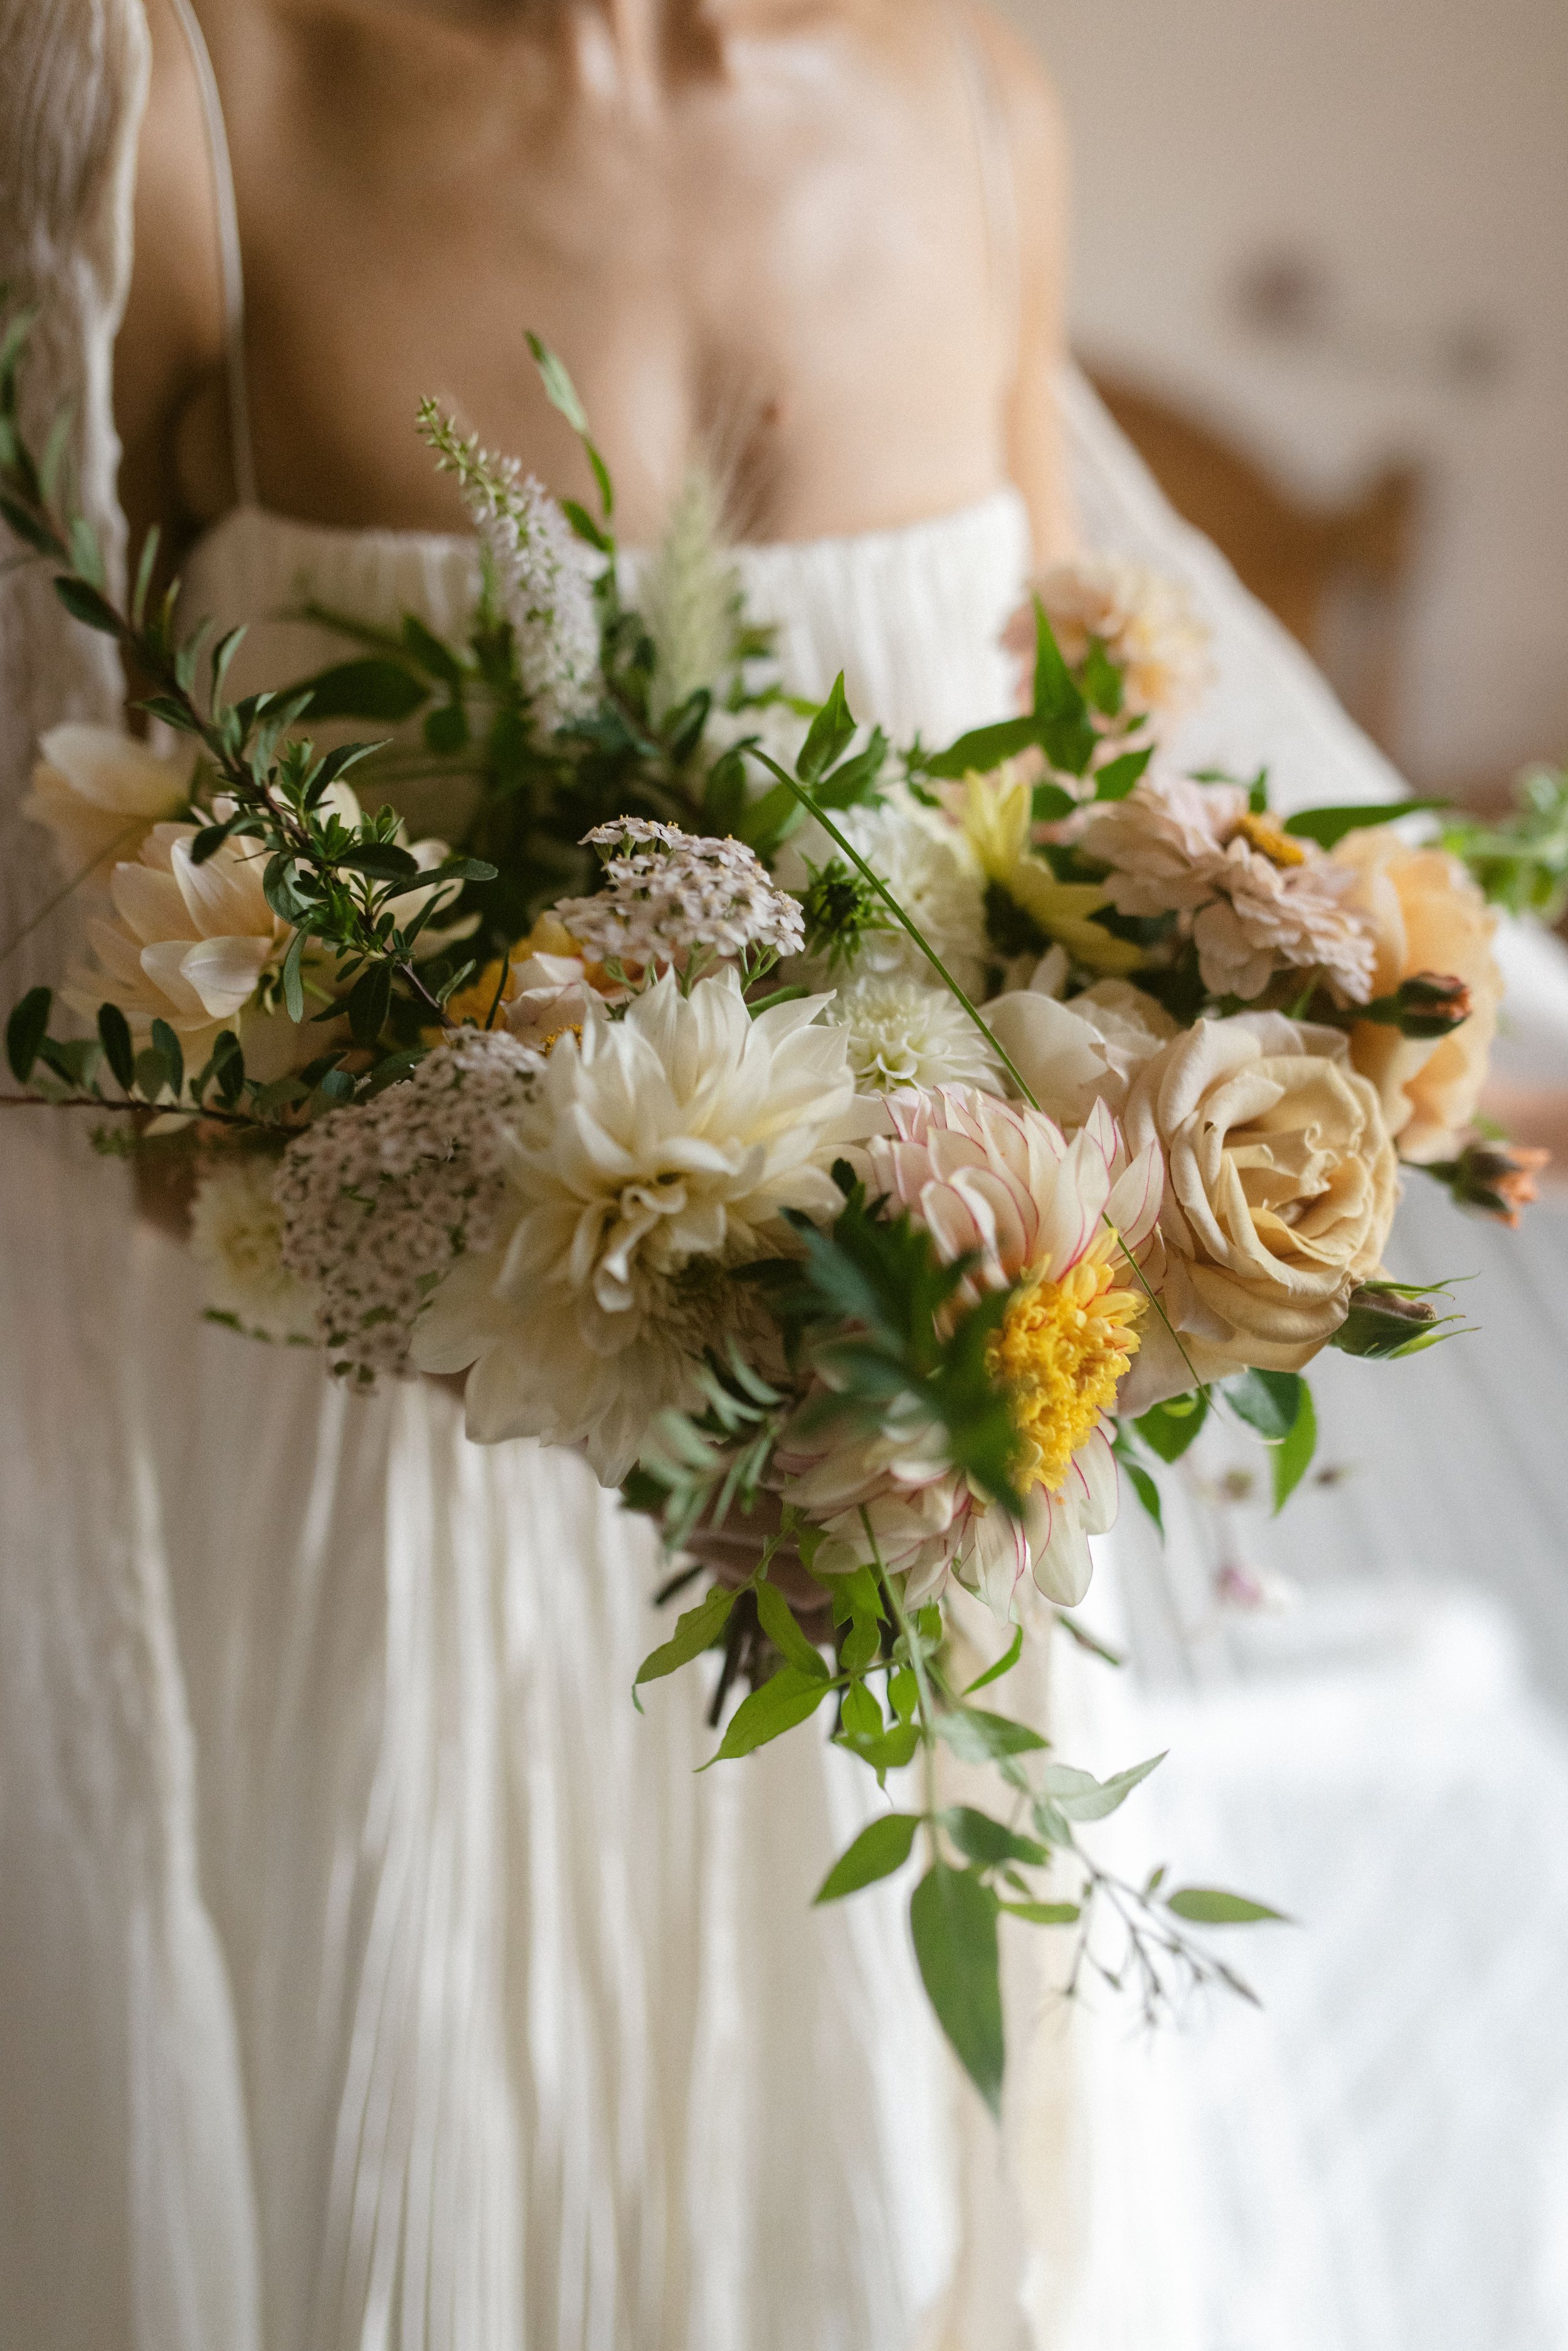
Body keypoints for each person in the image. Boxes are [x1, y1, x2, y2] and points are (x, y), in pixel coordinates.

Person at [6, 4, 1568, 2348]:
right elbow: (50, 961)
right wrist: (611, 1245)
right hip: (394, 1545)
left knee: (878, 2197)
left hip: (917, 1536)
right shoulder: (181, 101)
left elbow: (1072, 802)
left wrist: (1140, 1134)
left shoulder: (974, 111)